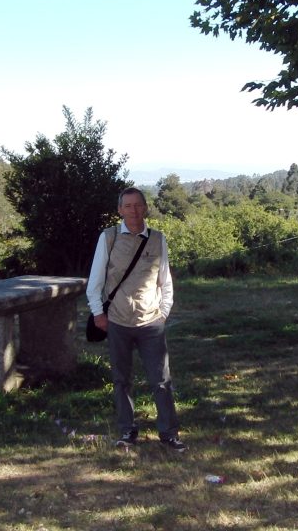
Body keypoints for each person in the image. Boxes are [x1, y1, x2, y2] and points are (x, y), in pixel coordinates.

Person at [87, 187, 186, 452]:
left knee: (161, 380)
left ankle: (169, 433)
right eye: (128, 206)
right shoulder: (108, 237)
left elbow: (165, 281)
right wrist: (98, 313)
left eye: (138, 205)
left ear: (145, 208)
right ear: (120, 210)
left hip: (151, 322)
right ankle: (127, 431)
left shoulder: (157, 239)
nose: (134, 210)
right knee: (122, 380)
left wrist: (163, 313)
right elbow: (95, 280)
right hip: (117, 320)